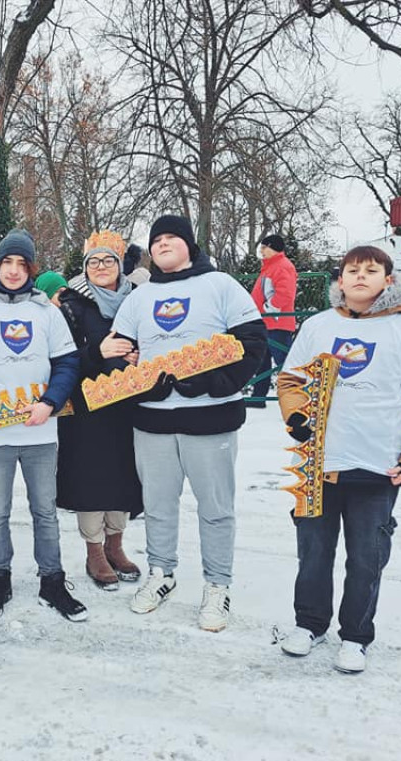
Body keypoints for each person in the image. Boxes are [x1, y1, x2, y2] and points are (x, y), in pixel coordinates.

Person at [277, 246, 401, 673]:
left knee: (367, 558)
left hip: (377, 468)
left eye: (371, 271)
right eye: (352, 270)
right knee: (313, 551)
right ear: (340, 279)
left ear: (389, 280)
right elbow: (290, 380)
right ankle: (310, 623)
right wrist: (298, 416)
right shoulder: (318, 326)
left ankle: (355, 635)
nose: (360, 277)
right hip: (318, 465)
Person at [111, 215, 267, 631]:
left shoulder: (220, 286)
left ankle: (217, 584)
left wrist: (211, 382)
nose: (162, 244)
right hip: (152, 420)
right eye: (156, 240)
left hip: (210, 418)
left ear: (188, 245)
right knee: (158, 506)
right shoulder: (139, 297)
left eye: (171, 238)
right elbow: (119, 351)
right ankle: (161, 573)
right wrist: (137, 377)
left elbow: (254, 346)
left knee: (215, 508)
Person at [0, 229, 84, 622]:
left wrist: (50, 402)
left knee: (45, 509)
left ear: (31, 268)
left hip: (40, 431)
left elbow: (66, 364)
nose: (13, 271)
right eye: (6, 262)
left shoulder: (47, 312)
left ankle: (52, 581)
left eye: (21, 263)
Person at [56, 232, 143, 590]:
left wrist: (141, 356)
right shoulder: (70, 305)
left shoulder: (137, 300)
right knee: (91, 477)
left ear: (121, 265)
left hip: (126, 404)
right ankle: (94, 549)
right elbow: (61, 357)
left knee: (124, 473)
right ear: (85, 267)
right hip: (87, 406)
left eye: (108, 261)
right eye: (94, 261)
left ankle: (116, 545)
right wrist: (97, 353)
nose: (101, 267)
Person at [249, 234, 298, 407]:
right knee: (262, 361)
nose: (261, 251)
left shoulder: (282, 266)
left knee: (284, 362)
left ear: (274, 248)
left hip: (277, 322)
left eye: (264, 247)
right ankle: (258, 397)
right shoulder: (270, 267)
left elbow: (285, 293)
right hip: (266, 322)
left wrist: (268, 309)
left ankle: (296, 398)